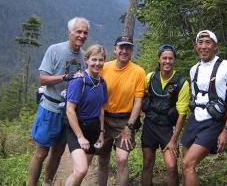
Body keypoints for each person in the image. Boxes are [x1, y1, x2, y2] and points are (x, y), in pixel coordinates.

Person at [28, 17, 89, 186]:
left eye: (85, 33)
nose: (82, 35)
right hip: (50, 108)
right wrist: (64, 77)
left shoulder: (85, 57)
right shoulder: (55, 50)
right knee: (41, 153)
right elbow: (43, 79)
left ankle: (47, 183)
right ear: (70, 32)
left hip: (68, 112)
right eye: (78, 31)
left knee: (58, 152)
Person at [181, 30, 227, 186]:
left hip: (213, 121)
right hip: (195, 120)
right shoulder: (194, 69)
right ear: (196, 46)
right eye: (200, 43)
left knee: (188, 165)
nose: (203, 46)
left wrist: (226, 130)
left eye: (208, 42)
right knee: (185, 165)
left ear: (215, 46)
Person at [97, 35, 146, 186]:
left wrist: (129, 126)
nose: (124, 51)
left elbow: (138, 101)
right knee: (103, 160)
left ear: (131, 50)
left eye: (128, 48)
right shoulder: (104, 68)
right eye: (121, 47)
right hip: (104, 119)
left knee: (122, 159)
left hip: (125, 120)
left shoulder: (138, 71)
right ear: (115, 49)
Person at [141, 44, 190, 186]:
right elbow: (141, 96)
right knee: (147, 163)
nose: (167, 61)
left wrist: (174, 140)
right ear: (159, 59)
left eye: (170, 58)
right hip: (150, 125)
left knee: (171, 167)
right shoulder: (150, 77)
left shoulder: (182, 83)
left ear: (174, 60)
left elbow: (182, 114)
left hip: (168, 128)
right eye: (164, 58)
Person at [65, 45, 108, 186]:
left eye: (101, 60)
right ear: (86, 60)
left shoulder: (102, 83)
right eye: (94, 59)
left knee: (82, 170)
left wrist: (101, 132)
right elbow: (70, 110)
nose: (97, 63)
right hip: (77, 128)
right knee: (81, 170)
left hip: (93, 128)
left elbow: (101, 108)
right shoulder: (79, 81)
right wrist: (80, 136)